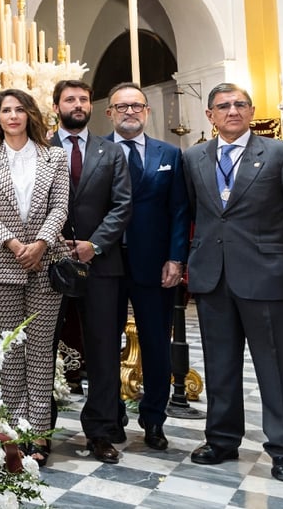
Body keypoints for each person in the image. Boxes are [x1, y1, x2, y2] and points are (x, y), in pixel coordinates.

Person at [185, 83, 283, 483]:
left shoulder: (281, 154)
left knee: (276, 368)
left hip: (267, 277)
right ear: (210, 116)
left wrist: (274, 249)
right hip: (213, 277)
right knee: (220, 364)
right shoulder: (193, 158)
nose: (232, 111)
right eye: (223, 106)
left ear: (251, 111)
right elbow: (195, 212)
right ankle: (222, 439)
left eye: (240, 105)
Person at [0, 89, 69, 467]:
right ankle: (14, 433)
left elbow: (60, 205)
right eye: (5, 111)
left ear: (30, 115)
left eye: (19, 110)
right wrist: (15, 244)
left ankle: (38, 436)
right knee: (11, 351)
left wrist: (41, 244)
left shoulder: (54, 156)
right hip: (2, 262)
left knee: (41, 352)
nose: (13, 116)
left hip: (45, 264)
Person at [103, 82, 190, 451]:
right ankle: (112, 416)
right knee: (104, 343)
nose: (129, 112)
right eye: (121, 107)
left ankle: (154, 419)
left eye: (136, 106)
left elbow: (180, 211)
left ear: (147, 111)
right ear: (109, 113)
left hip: (155, 265)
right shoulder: (96, 152)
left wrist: (176, 257)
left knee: (156, 344)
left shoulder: (169, 153)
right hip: (105, 262)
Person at [49, 79, 132, 464]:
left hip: (101, 264)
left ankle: (99, 431)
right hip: (49, 264)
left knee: (102, 349)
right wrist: (56, 242)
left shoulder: (111, 152)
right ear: (56, 107)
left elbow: (122, 205)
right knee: (42, 349)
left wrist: (93, 245)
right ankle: (40, 430)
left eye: (84, 98)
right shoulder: (38, 149)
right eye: (70, 99)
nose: (78, 104)